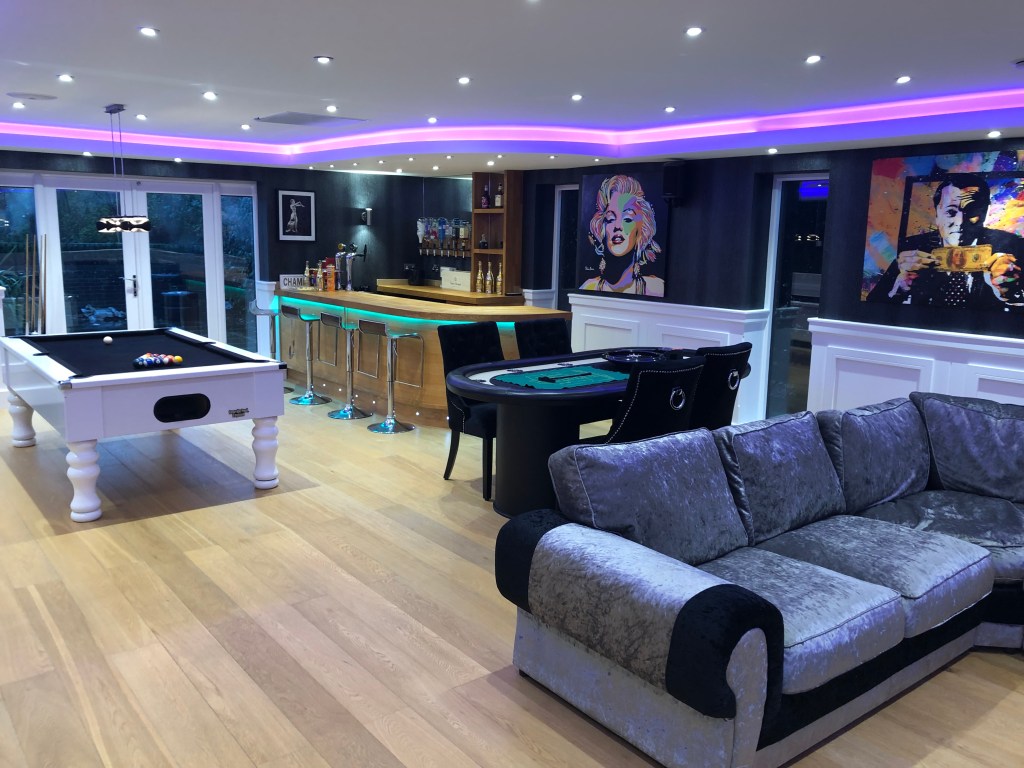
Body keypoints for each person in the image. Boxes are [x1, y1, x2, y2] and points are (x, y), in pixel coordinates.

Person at [867, 173, 1024, 309]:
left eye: (971, 210)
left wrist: (1014, 295)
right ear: (937, 214)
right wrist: (898, 289)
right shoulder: (913, 248)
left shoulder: (1013, 246)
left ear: (985, 212)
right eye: (951, 212)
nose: (960, 222)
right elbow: (871, 305)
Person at [580, 175, 665, 296]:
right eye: (610, 219)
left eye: (627, 219)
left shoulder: (655, 288)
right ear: (601, 229)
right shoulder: (588, 287)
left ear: (641, 231)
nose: (618, 226)